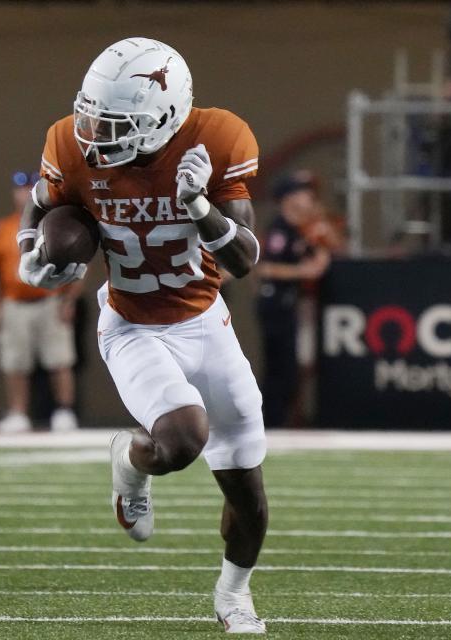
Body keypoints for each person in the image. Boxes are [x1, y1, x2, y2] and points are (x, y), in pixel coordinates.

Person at [18, 38, 268, 633]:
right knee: (183, 439)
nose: (97, 135)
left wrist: (200, 206)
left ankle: (233, 596)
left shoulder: (219, 138)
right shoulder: (68, 144)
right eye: (93, 115)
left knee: (249, 497)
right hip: (131, 323)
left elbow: (244, 258)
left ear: (168, 116)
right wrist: (29, 252)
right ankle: (133, 463)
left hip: (207, 323)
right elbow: (39, 206)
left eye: (118, 123)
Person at [0, 170, 79, 433]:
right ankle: (18, 413)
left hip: (49, 300)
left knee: (59, 360)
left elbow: (78, 263)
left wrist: (69, 300)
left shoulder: (54, 223)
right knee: (15, 362)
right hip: (15, 303)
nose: (24, 194)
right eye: (20, 189)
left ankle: (64, 411)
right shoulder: (3, 228)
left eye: (29, 188)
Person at [256, 172, 331, 428]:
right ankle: (270, 424)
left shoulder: (301, 230)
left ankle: (278, 422)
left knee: (289, 371)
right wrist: (302, 271)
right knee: (280, 370)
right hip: (275, 303)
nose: (308, 198)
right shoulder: (280, 229)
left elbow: (322, 258)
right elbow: (265, 268)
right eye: (301, 193)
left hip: (290, 304)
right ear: (288, 198)